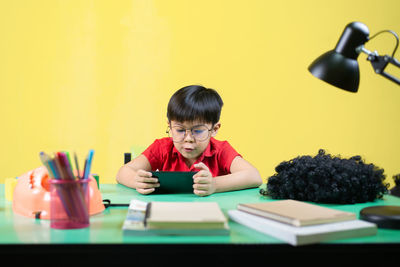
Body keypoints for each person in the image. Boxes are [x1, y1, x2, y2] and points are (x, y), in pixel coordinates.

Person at [116, 85, 262, 196]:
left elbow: (254, 176)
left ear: (214, 129)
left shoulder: (221, 150)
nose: (188, 139)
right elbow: (122, 172)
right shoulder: (161, 147)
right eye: (179, 130)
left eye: (197, 131)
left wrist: (214, 185)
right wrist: (136, 180)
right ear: (170, 127)